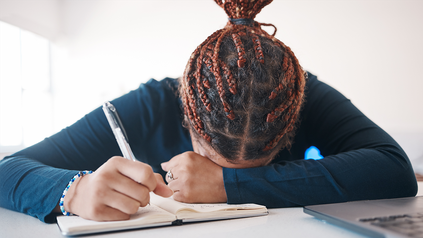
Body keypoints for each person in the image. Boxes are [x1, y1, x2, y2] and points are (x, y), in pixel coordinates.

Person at [0, 0, 418, 223]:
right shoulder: (150, 105)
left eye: (257, 166)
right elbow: (6, 170)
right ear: (185, 110)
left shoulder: (299, 93)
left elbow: (393, 170)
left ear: (291, 123)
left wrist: (229, 185)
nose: (229, 175)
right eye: (211, 159)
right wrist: (73, 190)